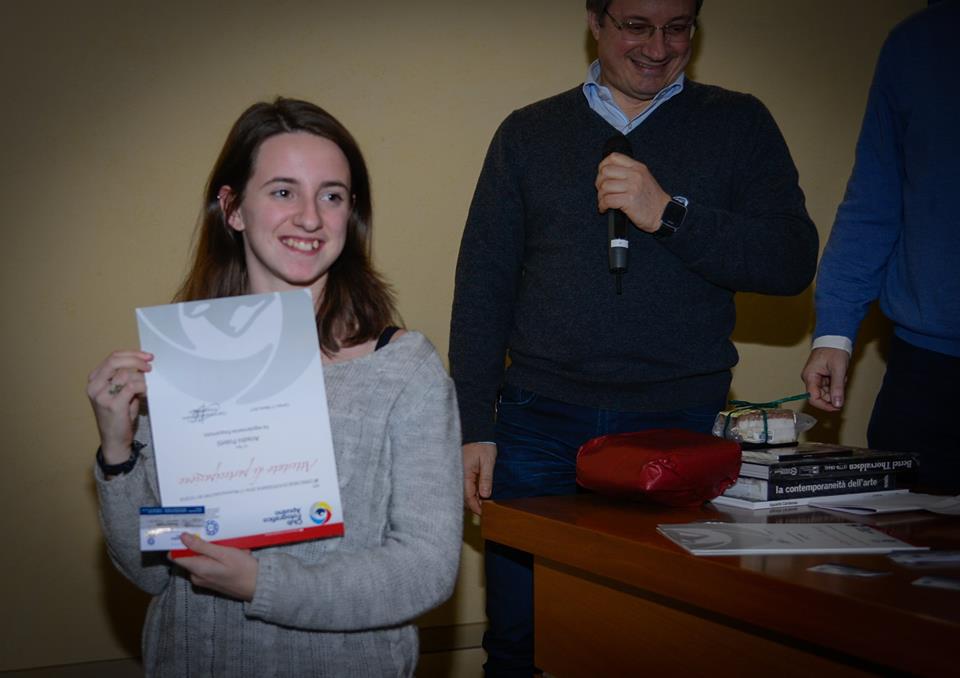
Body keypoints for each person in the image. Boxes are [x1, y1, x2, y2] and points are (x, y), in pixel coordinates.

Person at [449, 1, 818, 674]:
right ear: (595, 20)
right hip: (537, 421)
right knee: (519, 635)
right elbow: (482, 287)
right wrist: (475, 424)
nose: (658, 46)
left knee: (661, 636)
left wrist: (669, 214)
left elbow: (791, 261)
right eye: (636, 26)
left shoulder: (738, 123)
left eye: (677, 28)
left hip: (679, 423)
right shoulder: (529, 133)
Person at [86, 98, 463, 677]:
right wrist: (117, 454)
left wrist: (262, 583)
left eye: (331, 196)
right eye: (283, 191)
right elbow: (152, 573)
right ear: (233, 208)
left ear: (351, 214)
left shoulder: (402, 369)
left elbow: (425, 570)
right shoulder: (180, 363)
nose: (310, 218)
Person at [801, 0, 960, 493]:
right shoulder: (918, 42)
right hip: (927, 368)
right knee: (901, 531)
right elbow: (873, 202)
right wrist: (834, 333)